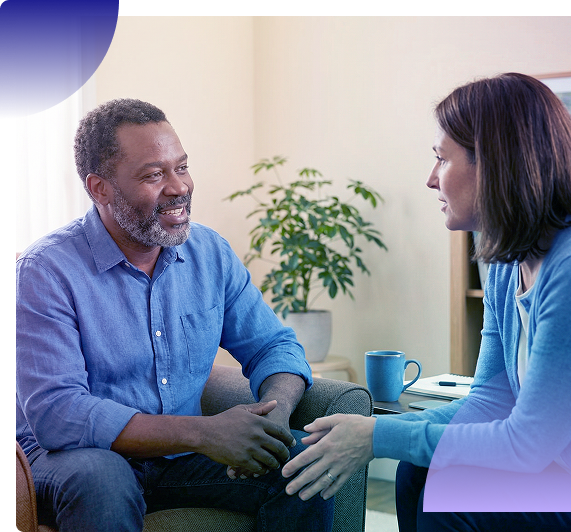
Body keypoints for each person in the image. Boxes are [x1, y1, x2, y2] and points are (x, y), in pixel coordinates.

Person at [282, 73, 571, 531]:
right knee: (417, 471)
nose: (430, 178)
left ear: (495, 166)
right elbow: (492, 398)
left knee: (452, 500)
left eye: (441, 159)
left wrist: (378, 435)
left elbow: (528, 443)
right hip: (560, 467)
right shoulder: (503, 256)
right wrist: (380, 437)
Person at [16, 98, 334, 532]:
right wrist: (202, 433)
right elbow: (59, 415)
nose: (178, 187)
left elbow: (273, 345)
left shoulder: (209, 253)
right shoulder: (46, 271)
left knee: (300, 461)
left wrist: (273, 421)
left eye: (181, 167)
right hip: (70, 459)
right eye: (153, 174)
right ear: (100, 188)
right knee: (103, 477)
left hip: (178, 461)